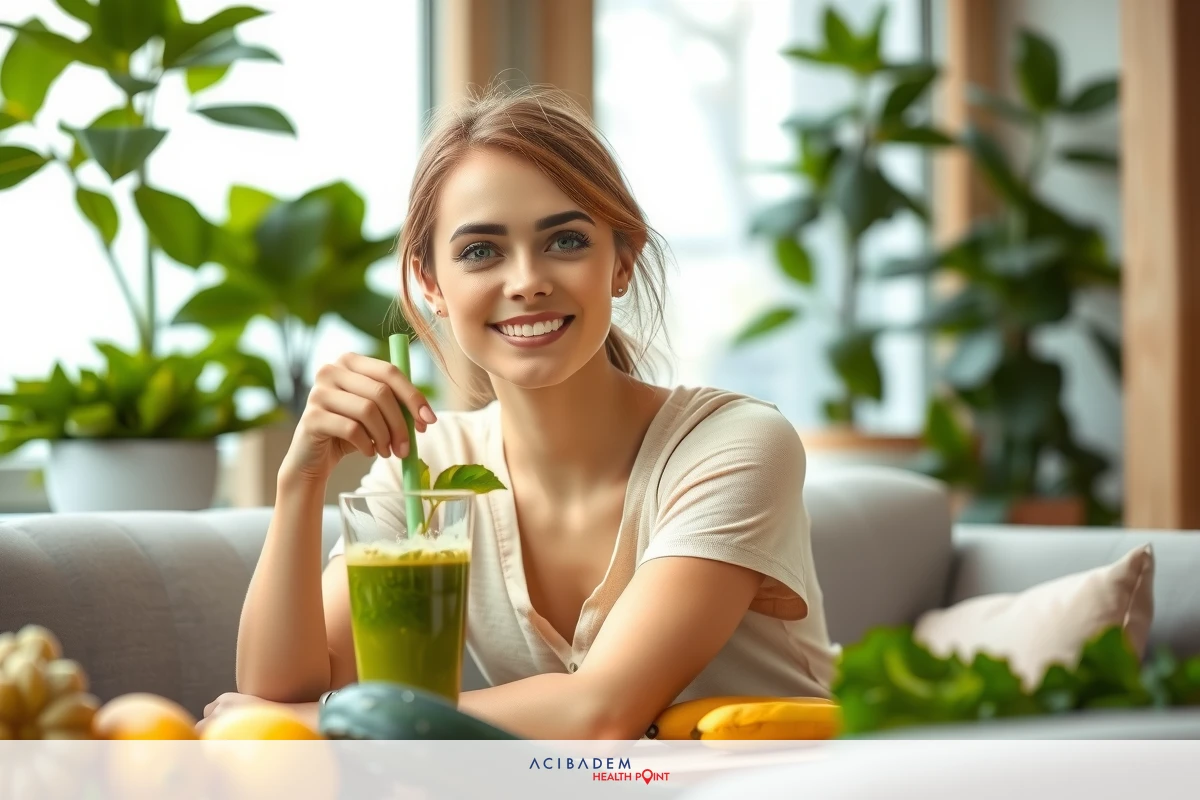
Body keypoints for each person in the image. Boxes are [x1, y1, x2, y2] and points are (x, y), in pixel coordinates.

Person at [201, 85, 836, 740]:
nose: (527, 279)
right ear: (429, 283)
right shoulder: (430, 472)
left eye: (565, 241)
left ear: (622, 262)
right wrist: (300, 482)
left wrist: (323, 722)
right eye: (481, 251)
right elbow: (277, 693)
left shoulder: (733, 445)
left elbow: (602, 711)